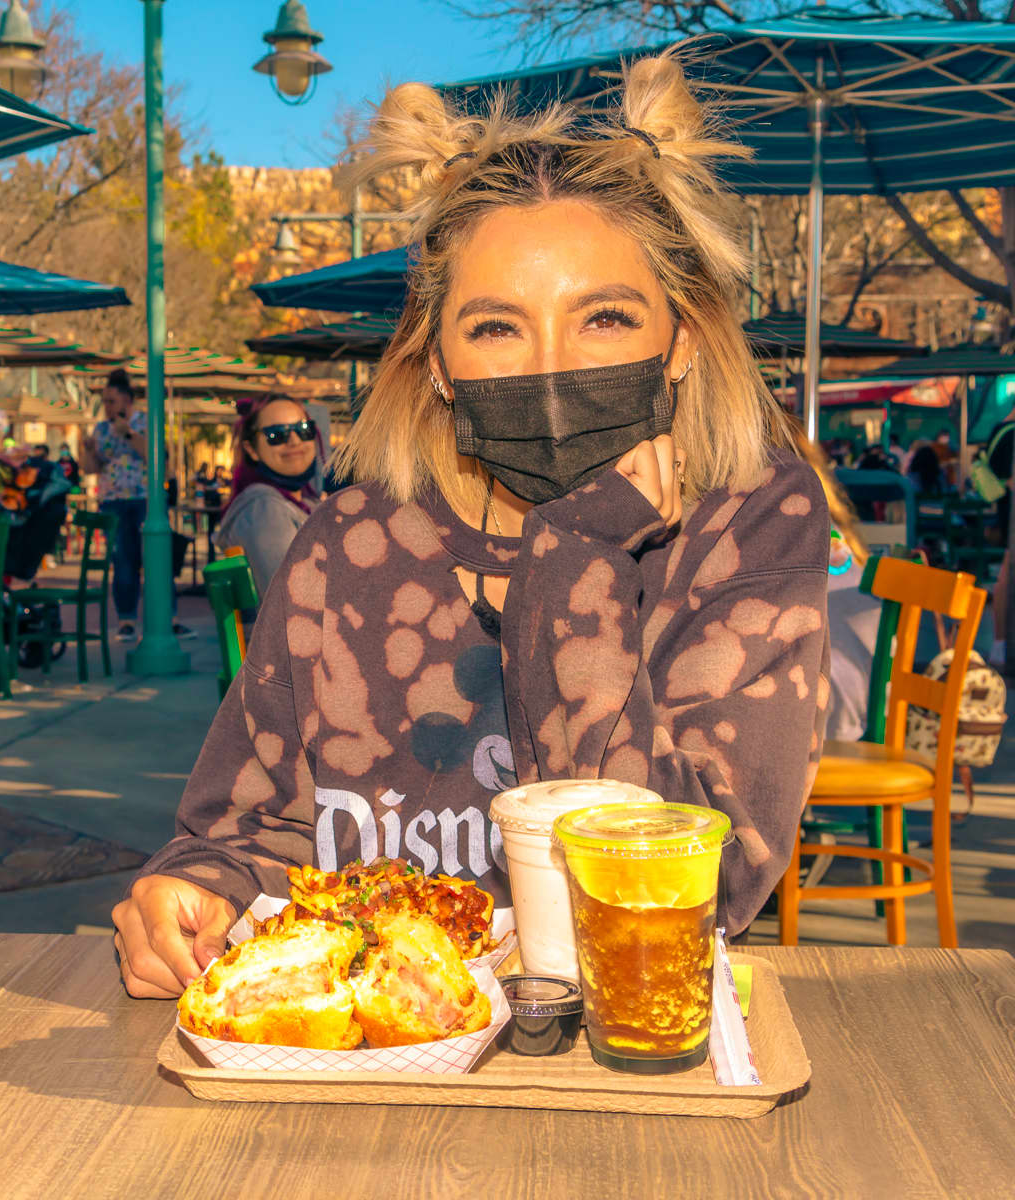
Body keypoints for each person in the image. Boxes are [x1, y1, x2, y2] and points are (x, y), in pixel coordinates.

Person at [113, 55, 831, 997]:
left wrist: (578, 565)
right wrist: (192, 890)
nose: (551, 369)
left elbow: (695, 885)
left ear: (682, 339)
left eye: (605, 318)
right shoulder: (355, 536)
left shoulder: (748, 518)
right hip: (360, 1058)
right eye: (496, 327)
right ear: (440, 363)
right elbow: (253, 831)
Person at [80, 368, 193, 643]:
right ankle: (127, 620)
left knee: (155, 560)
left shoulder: (146, 422)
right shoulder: (101, 428)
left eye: (111, 401)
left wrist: (128, 434)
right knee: (123, 561)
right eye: (104, 401)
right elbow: (91, 468)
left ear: (127, 401)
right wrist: (88, 450)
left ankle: (169, 618)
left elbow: (158, 459)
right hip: (113, 501)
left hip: (146, 500)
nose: (106, 407)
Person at [213, 396, 322, 594]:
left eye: (304, 429)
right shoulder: (265, 510)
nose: (294, 441)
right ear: (252, 450)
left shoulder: (304, 502)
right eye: (276, 434)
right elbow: (293, 598)